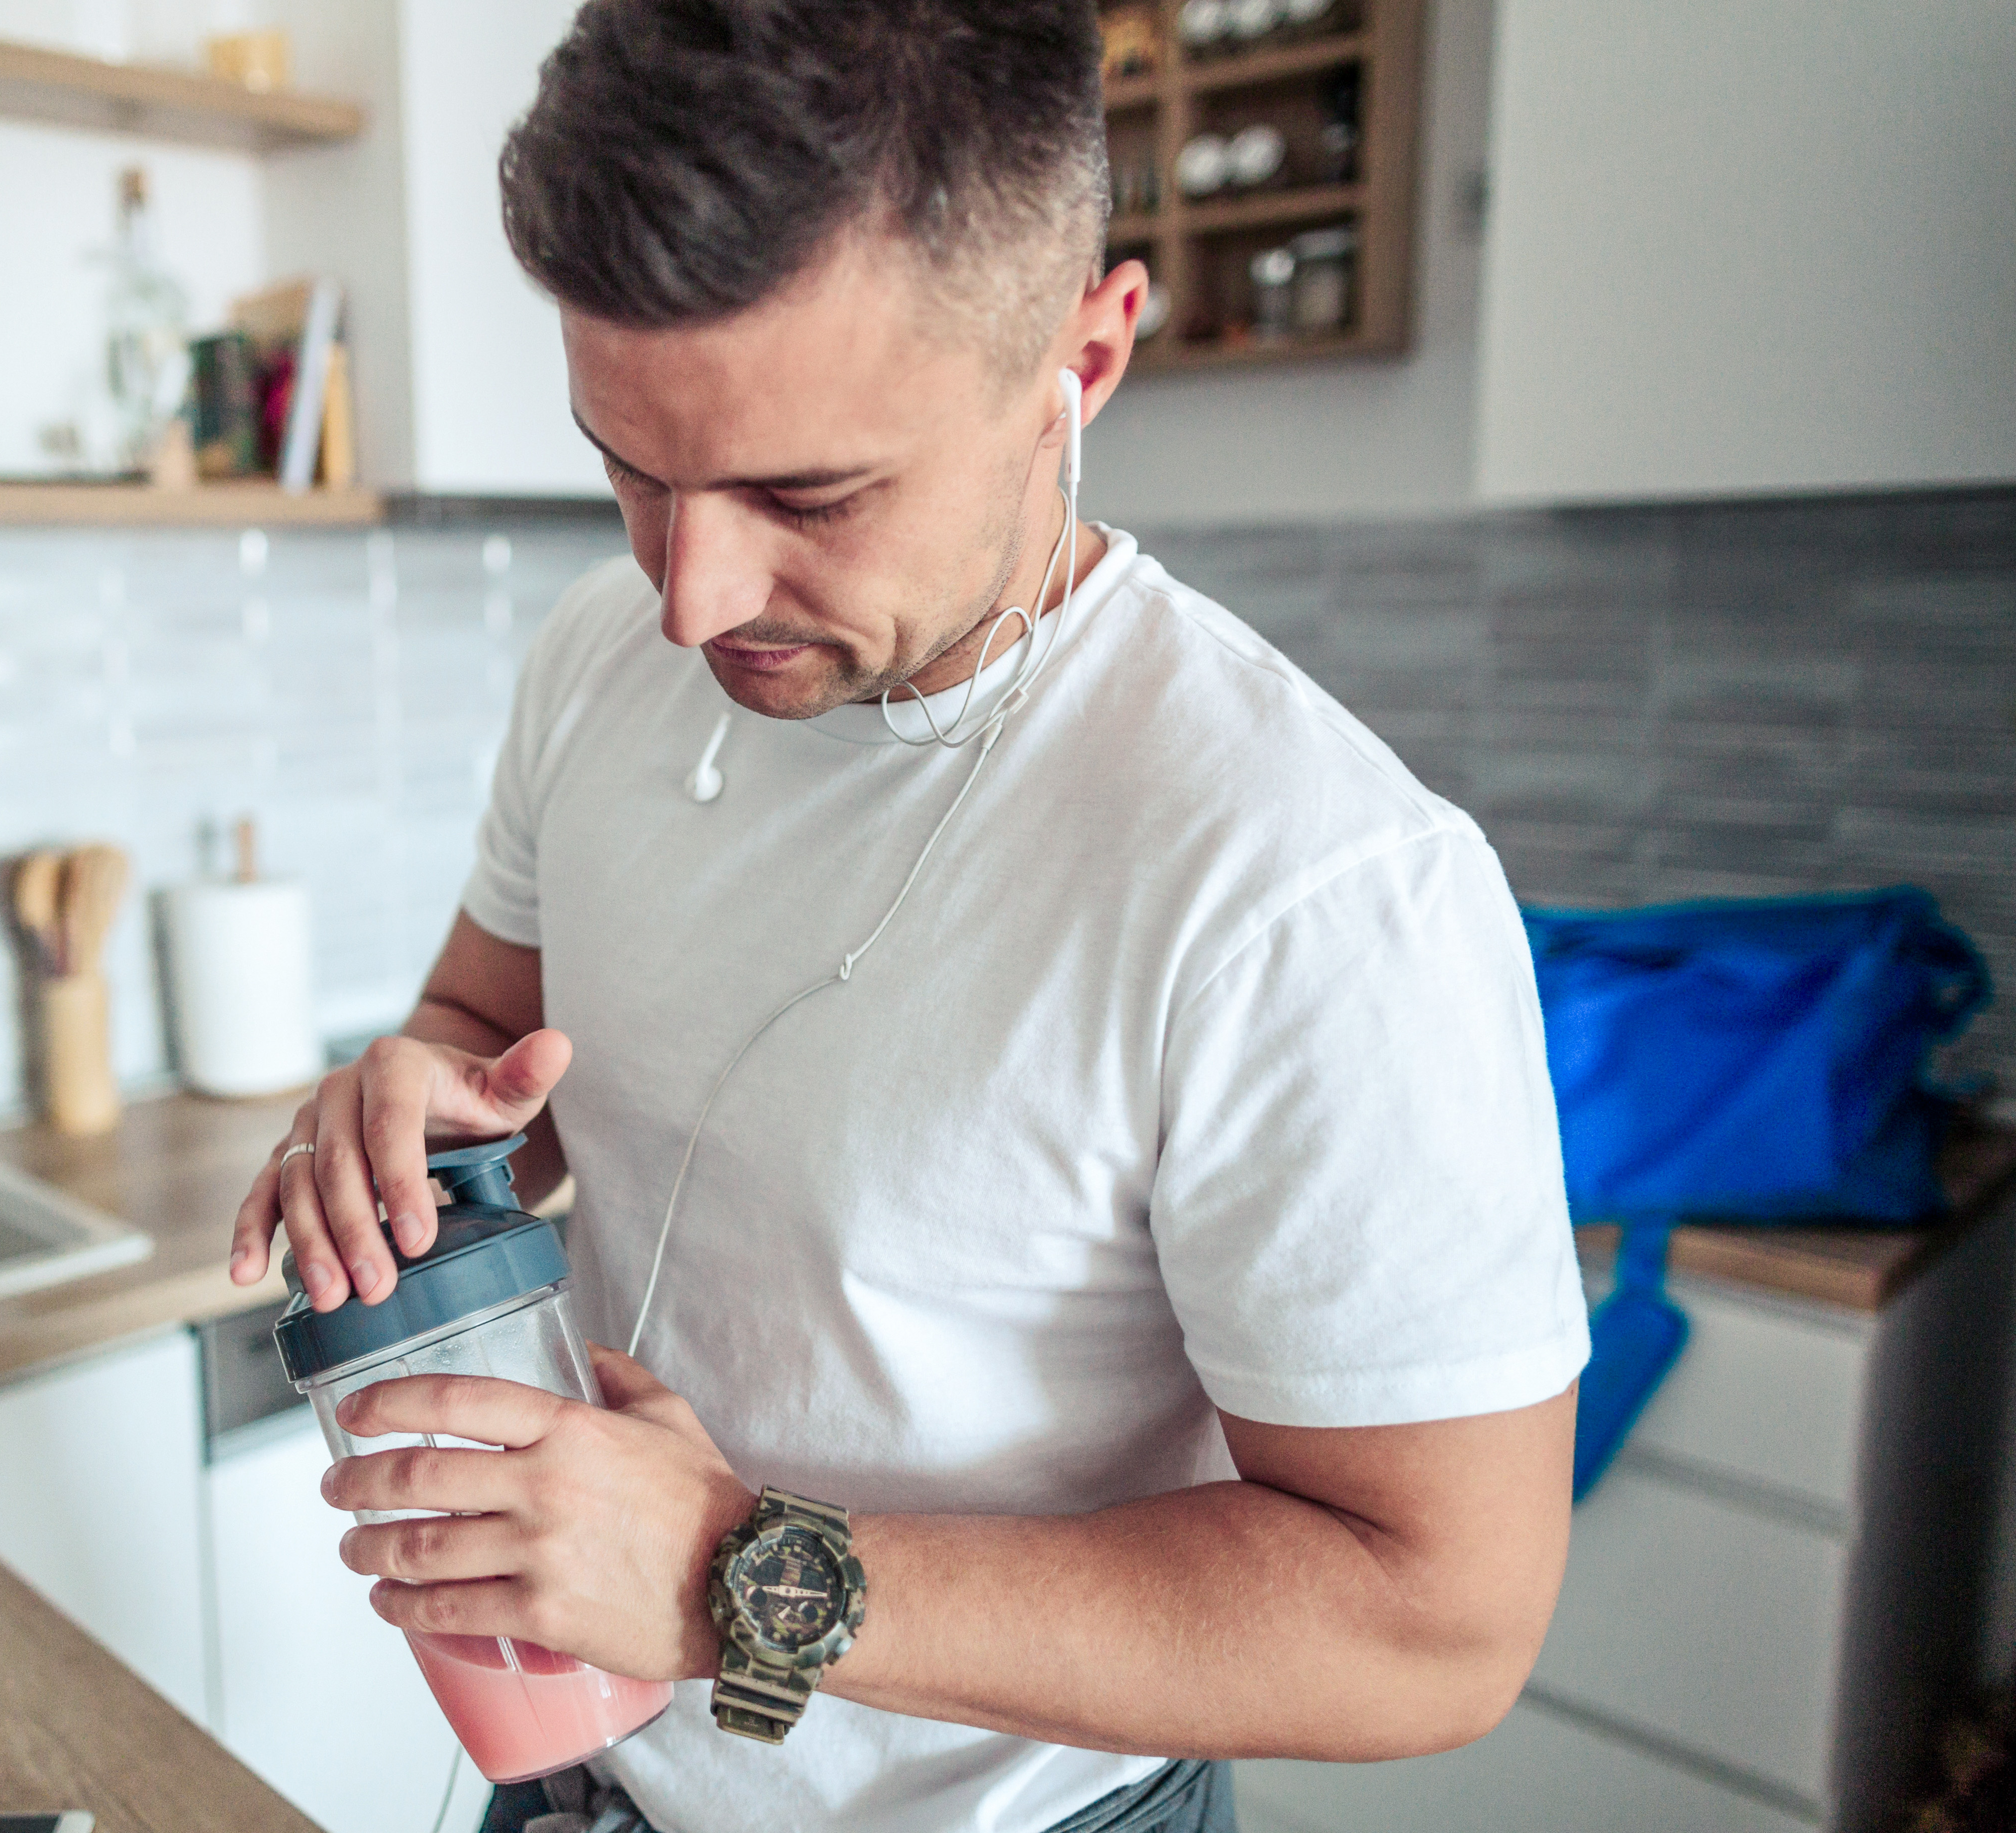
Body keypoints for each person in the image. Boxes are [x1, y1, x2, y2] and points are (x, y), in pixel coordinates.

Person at [228, 4, 1591, 1830]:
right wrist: (411, 1100)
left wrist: (734, 1581)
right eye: (631, 467)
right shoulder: (596, 663)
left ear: (1082, 360)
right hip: (575, 1775)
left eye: (812, 494)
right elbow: (489, 1040)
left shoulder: (1311, 884)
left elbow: (1433, 1627)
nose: (693, 597)